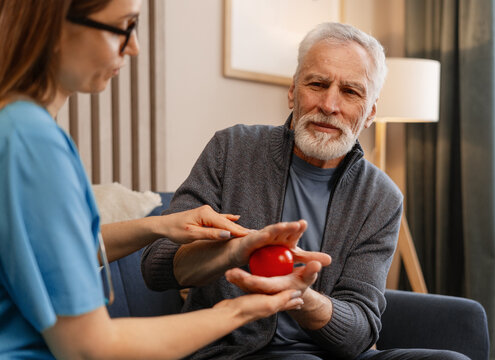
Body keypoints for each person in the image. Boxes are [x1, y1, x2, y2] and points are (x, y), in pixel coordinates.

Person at [0, 0, 331, 358]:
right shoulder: (33, 143)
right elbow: (89, 348)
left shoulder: (19, 126)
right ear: (55, 27)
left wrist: (160, 225)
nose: (134, 46)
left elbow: (59, 249)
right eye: (124, 26)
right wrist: (242, 309)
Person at [142, 22, 470, 360]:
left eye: (351, 92)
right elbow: (157, 265)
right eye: (317, 83)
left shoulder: (382, 196)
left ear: (370, 112)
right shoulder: (232, 148)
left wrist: (300, 295)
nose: (329, 104)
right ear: (292, 92)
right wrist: (239, 249)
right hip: (236, 351)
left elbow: (359, 331)